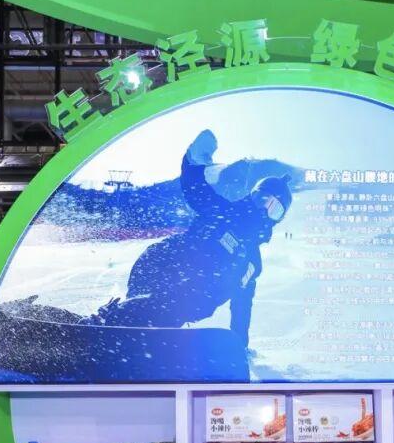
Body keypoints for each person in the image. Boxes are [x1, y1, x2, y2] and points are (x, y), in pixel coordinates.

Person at [85, 130, 294, 348]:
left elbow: (242, 303)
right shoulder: (225, 212)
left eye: (275, 209)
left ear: (278, 219)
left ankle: (137, 332)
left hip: (185, 299)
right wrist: (193, 162)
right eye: (263, 199)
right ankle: (106, 324)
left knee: (191, 302)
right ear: (253, 195)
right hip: (160, 265)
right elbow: (196, 191)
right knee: (167, 306)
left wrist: (239, 344)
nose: (264, 209)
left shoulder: (252, 262)